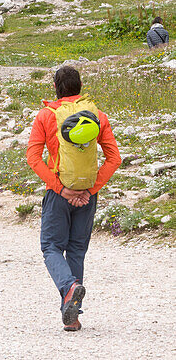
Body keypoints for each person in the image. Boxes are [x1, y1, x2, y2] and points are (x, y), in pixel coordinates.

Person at [26, 65, 121, 332]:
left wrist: (60, 188)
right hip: (88, 195)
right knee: (76, 250)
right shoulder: (97, 115)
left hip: (59, 194)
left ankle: (69, 289)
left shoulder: (46, 115)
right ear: (80, 87)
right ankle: (73, 317)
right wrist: (90, 190)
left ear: (55, 88)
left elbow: (33, 157)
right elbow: (114, 158)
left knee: (51, 248)